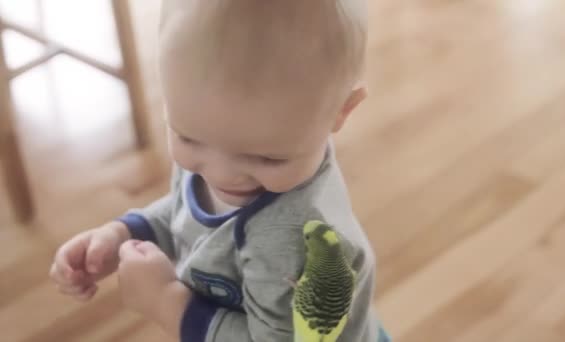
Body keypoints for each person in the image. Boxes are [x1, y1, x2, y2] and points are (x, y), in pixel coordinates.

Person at [50, 0, 390, 340]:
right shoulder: (227, 136)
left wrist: (166, 303)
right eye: (187, 138)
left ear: (341, 112)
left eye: (268, 159)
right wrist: (124, 235)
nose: (220, 176)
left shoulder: (295, 245)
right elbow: (188, 216)